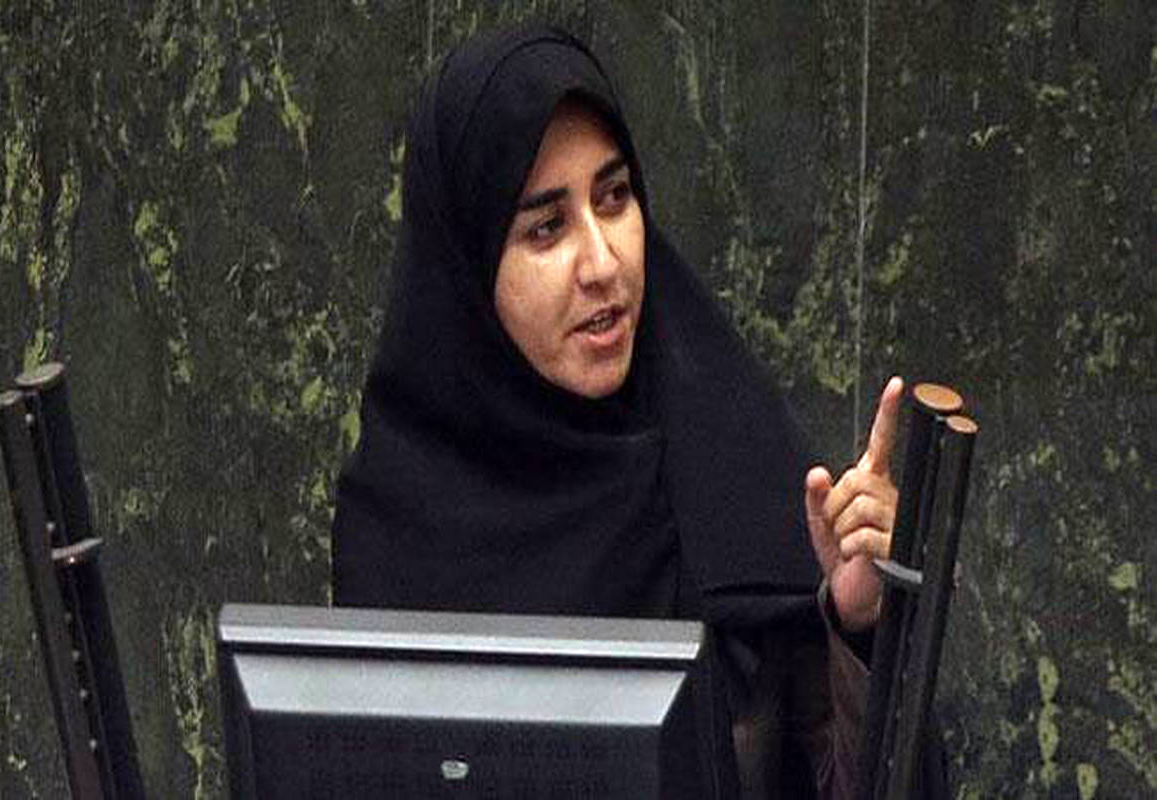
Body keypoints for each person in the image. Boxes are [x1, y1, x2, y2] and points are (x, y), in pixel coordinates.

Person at [332, 24, 917, 798]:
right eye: (546, 227)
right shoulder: (396, 532)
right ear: (469, 269)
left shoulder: (728, 468)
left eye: (614, 198)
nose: (604, 263)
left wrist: (860, 629)